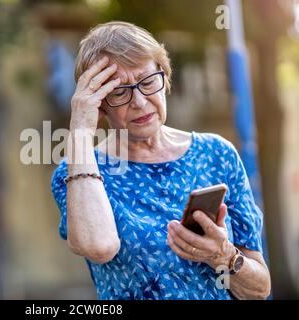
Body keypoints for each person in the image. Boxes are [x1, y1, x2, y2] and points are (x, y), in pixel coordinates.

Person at [51, 21, 271, 300]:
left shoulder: (218, 153)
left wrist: (224, 256)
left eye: (147, 81)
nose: (140, 102)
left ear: (164, 77)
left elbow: (260, 289)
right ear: (100, 104)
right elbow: (100, 246)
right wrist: (81, 132)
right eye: (119, 91)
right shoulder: (78, 171)